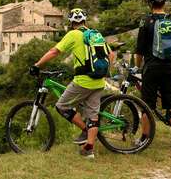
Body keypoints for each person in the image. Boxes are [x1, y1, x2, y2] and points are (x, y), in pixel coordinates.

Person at [30, 8, 114, 159]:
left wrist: (37, 65)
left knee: (62, 106)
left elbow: (54, 51)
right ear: (84, 20)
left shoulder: (73, 34)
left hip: (83, 81)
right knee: (93, 116)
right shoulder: (96, 34)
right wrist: (103, 73)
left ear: (71, 22)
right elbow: (111, 54)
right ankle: (88, 150)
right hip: (99, 81)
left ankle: (85, 131)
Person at [135, 0, 171, 151]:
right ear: (164, 3)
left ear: (150, 4)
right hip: (169, 67)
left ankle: (144, 138)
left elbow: (139, 51)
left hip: (151, 67)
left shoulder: (146, 21)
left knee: (147, 105)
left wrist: (138, 66)